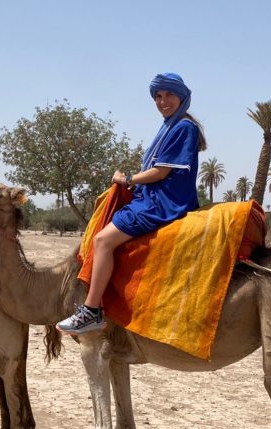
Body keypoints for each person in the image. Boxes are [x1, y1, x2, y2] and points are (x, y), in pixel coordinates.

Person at [57, 72, 208, 334]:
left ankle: (92, 310)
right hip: (152, 197)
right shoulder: (170, 125)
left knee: (102, 241)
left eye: (169, 95)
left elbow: (161, 172)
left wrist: (127, 179)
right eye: (158, 96)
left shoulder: (184, 127)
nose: (163, 101)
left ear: (182, 97)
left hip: (163, 202)